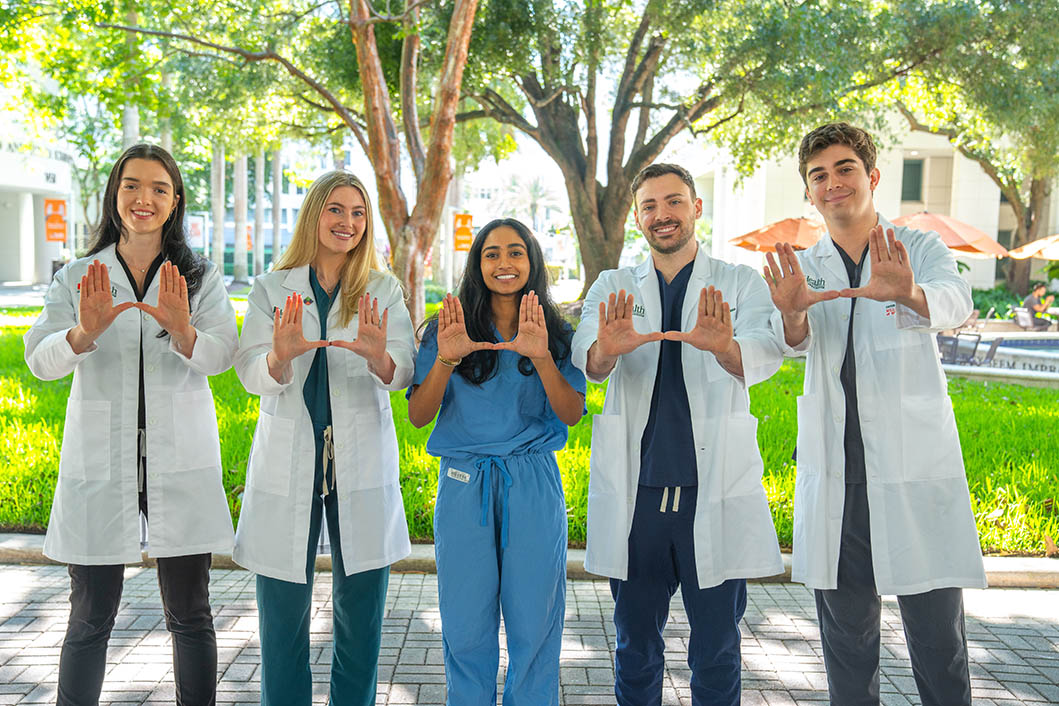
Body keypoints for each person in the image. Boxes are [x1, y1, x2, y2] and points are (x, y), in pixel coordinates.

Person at [764, 122, 987, 706]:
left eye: (844, 169)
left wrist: (908, 293)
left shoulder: (917, 249)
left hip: (913, 469)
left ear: (871, 177)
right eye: (819, 175)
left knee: (939, 642)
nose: (832, 183)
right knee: (847, 643)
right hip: (839, 475)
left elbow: (956, 303)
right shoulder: (804, 265)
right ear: (809, 192)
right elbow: (792, 342)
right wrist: (790, 316)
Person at [24, 144, 237, 706]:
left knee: (191, 613)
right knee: (90, 615)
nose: (145, 199)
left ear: (175, 202)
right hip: (102, 462)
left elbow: (224, 356)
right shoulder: (77, 275)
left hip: (179, 462)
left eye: (159, 189)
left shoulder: (199, 277)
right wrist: (81, 333)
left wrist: (184, 330)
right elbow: (40, 361)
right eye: (133, 186)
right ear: (115, 194)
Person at [571, 164, 784, 705]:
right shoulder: (613, 285)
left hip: (710, 490)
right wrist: (607, 350)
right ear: (638, 216)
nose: (661, 215)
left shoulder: (739, 282)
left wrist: (725, 348)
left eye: (673, 202)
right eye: (649, 206)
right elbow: (587, 360)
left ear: (696, 208)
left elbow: (769, 351)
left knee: (717, 645)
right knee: (634, 644)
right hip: (637, 496)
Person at [232, 170, 414, 705]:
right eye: (336, 210)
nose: (348, 223)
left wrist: (379, 356)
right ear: (314, 214)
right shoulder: (271, 287)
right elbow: (248, 371)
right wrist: (279, 356)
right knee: (283, 611)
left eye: (358, 214)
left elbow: (402, 369)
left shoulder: (382, 289)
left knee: (361, 610)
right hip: (290, 456)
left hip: (359, 457)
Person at [406, 218, 586, 706]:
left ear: (532, 261)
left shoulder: (556, 330)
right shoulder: (450, 325)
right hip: (466, 483)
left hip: (532, 482)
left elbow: (571, 413)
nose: (503, 263)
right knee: (465, 624)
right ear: (476, 263)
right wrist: (446, 359)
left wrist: (543, 357)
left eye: (515, 252)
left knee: (535, 622)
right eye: (491, 253)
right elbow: (420, 416)